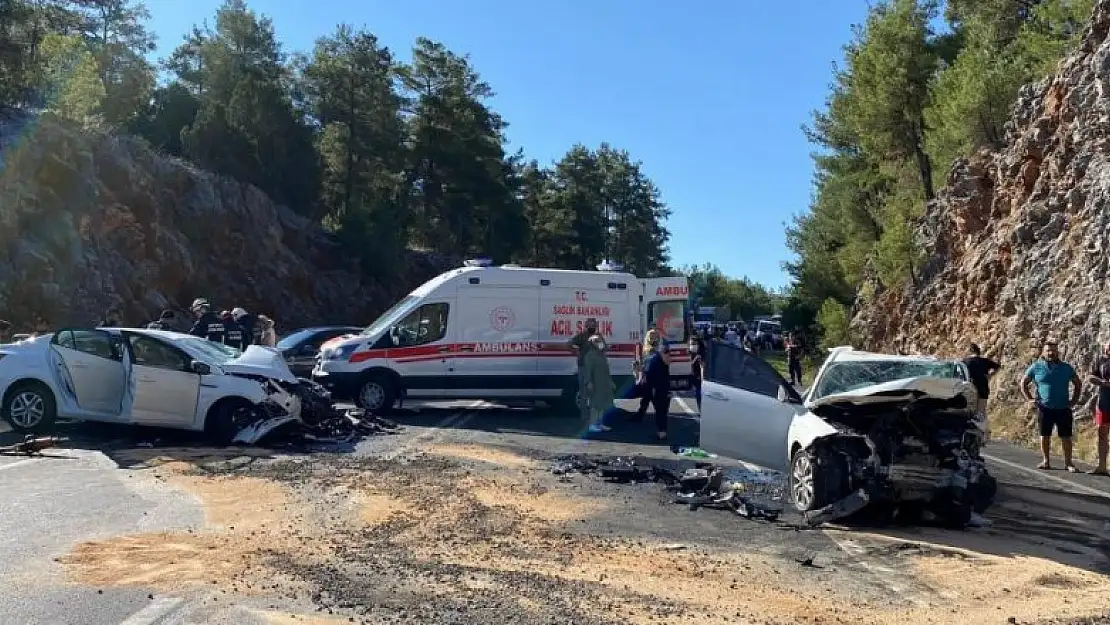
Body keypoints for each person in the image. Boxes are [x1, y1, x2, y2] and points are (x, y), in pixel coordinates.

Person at [1020, 341, 1082, 472]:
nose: (1051, 353)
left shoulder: (1066, 368)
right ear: (1043, 352)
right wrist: (1030, 399)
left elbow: (1077, 383)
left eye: (1053, 350)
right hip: (1044, 407)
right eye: (1048, 350)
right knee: (1044, 435)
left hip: (1063, 408)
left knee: (1066, 436)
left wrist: (1074, 400)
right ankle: (1046, 461)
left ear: (1057, 351)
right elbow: (1023, 383)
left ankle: (1068, 463)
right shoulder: (1036, 367)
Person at [964, 343, 1001, 437]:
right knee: (981, 411)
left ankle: (970, 432)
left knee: (969, 411)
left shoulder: (965, 361)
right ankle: (984, 435)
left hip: (969, 388)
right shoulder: (985, 361)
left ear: (969, 351)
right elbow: (998, 366)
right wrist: (990, 375)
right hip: (983, 388)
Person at [567, 317, 600, 421]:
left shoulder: (598, 336)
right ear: (586, 326)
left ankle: (594, 416)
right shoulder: (582, 336)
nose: (592, 327)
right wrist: (577, 353)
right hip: (584, 367)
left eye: (594, 325)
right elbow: (569, 344)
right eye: (590, 325)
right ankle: (584, 417)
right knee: (584, 393)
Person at [1086, 340, 1110, 476]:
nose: (1108, 350)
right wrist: (1103, 382)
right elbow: (1090, 377)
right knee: (1102, 433)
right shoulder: (1101, 360)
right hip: (1104, 402)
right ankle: (1102, 467)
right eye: (1107, 348)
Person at [584, 335, 615, 434]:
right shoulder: (589, 355)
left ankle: (600, 423)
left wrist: (611, 382)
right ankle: (592, 425)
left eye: (600, 340)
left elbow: (606, 370)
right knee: (595, 404)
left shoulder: (602, 355)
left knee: (602, 404)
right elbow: (587, 370)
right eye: (596, 341)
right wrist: (588, 382)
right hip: (595, 382)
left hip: (604, 382)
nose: (599, 342)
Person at [642, 339, 672, 440]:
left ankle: (662, 431)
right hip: (662, 388)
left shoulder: (655, 360)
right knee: (662, 411)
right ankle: (662, 431)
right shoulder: (659, 361)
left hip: (659, 389)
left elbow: (649, 375)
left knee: (661, 411)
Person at [689, 335, 705, 412]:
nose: (692, 346)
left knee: (699, 393)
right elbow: (690, 364)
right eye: (691, 344)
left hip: (702, 376)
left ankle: (701, 409)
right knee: (698, 393)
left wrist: (699, 360)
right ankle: (700, 409)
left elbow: (703, 365)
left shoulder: (702, 352)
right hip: (695, 375)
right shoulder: (690, 353)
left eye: (694, 344)